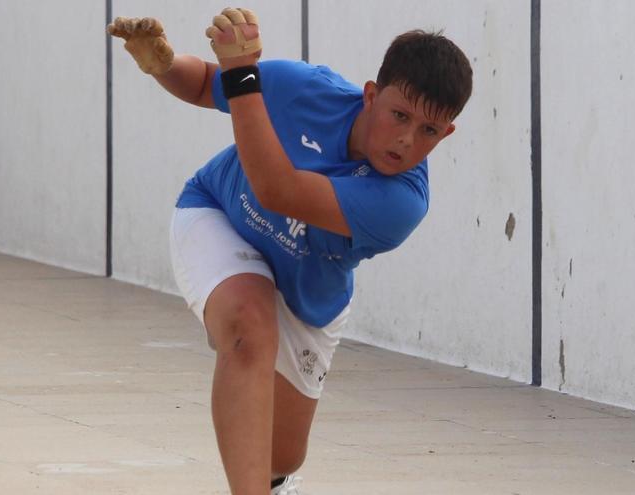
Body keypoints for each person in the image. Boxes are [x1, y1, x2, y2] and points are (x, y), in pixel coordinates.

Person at [108, 8, 472, 495]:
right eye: (399, 115)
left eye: (428, 131)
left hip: (307, 295)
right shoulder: (303, 87)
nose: (407, 139)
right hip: (219, 216)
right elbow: (205, 86)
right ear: (370, 95)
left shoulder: (402, 203)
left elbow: (278, 191)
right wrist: (164, 64)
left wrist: (242, 74)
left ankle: (276, 482)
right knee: (248, 327)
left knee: (279, 456)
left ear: (446, 134)